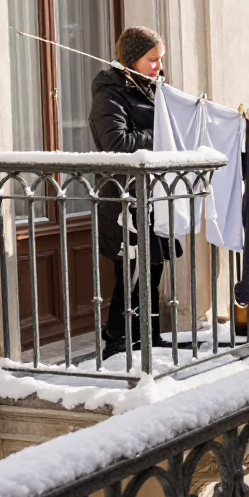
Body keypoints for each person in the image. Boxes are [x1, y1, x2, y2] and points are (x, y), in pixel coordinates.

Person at [88, 26, 172, 359]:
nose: (159, 68)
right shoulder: (108, 92)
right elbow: (117, 144)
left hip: (154, 196)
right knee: (132, 271)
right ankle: (117, 341)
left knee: (154, 267)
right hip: (124, 197)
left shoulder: (151, 90)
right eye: (153, 60)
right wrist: (164, 133)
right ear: (133, 59)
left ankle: (148, 336)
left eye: (160, 60)